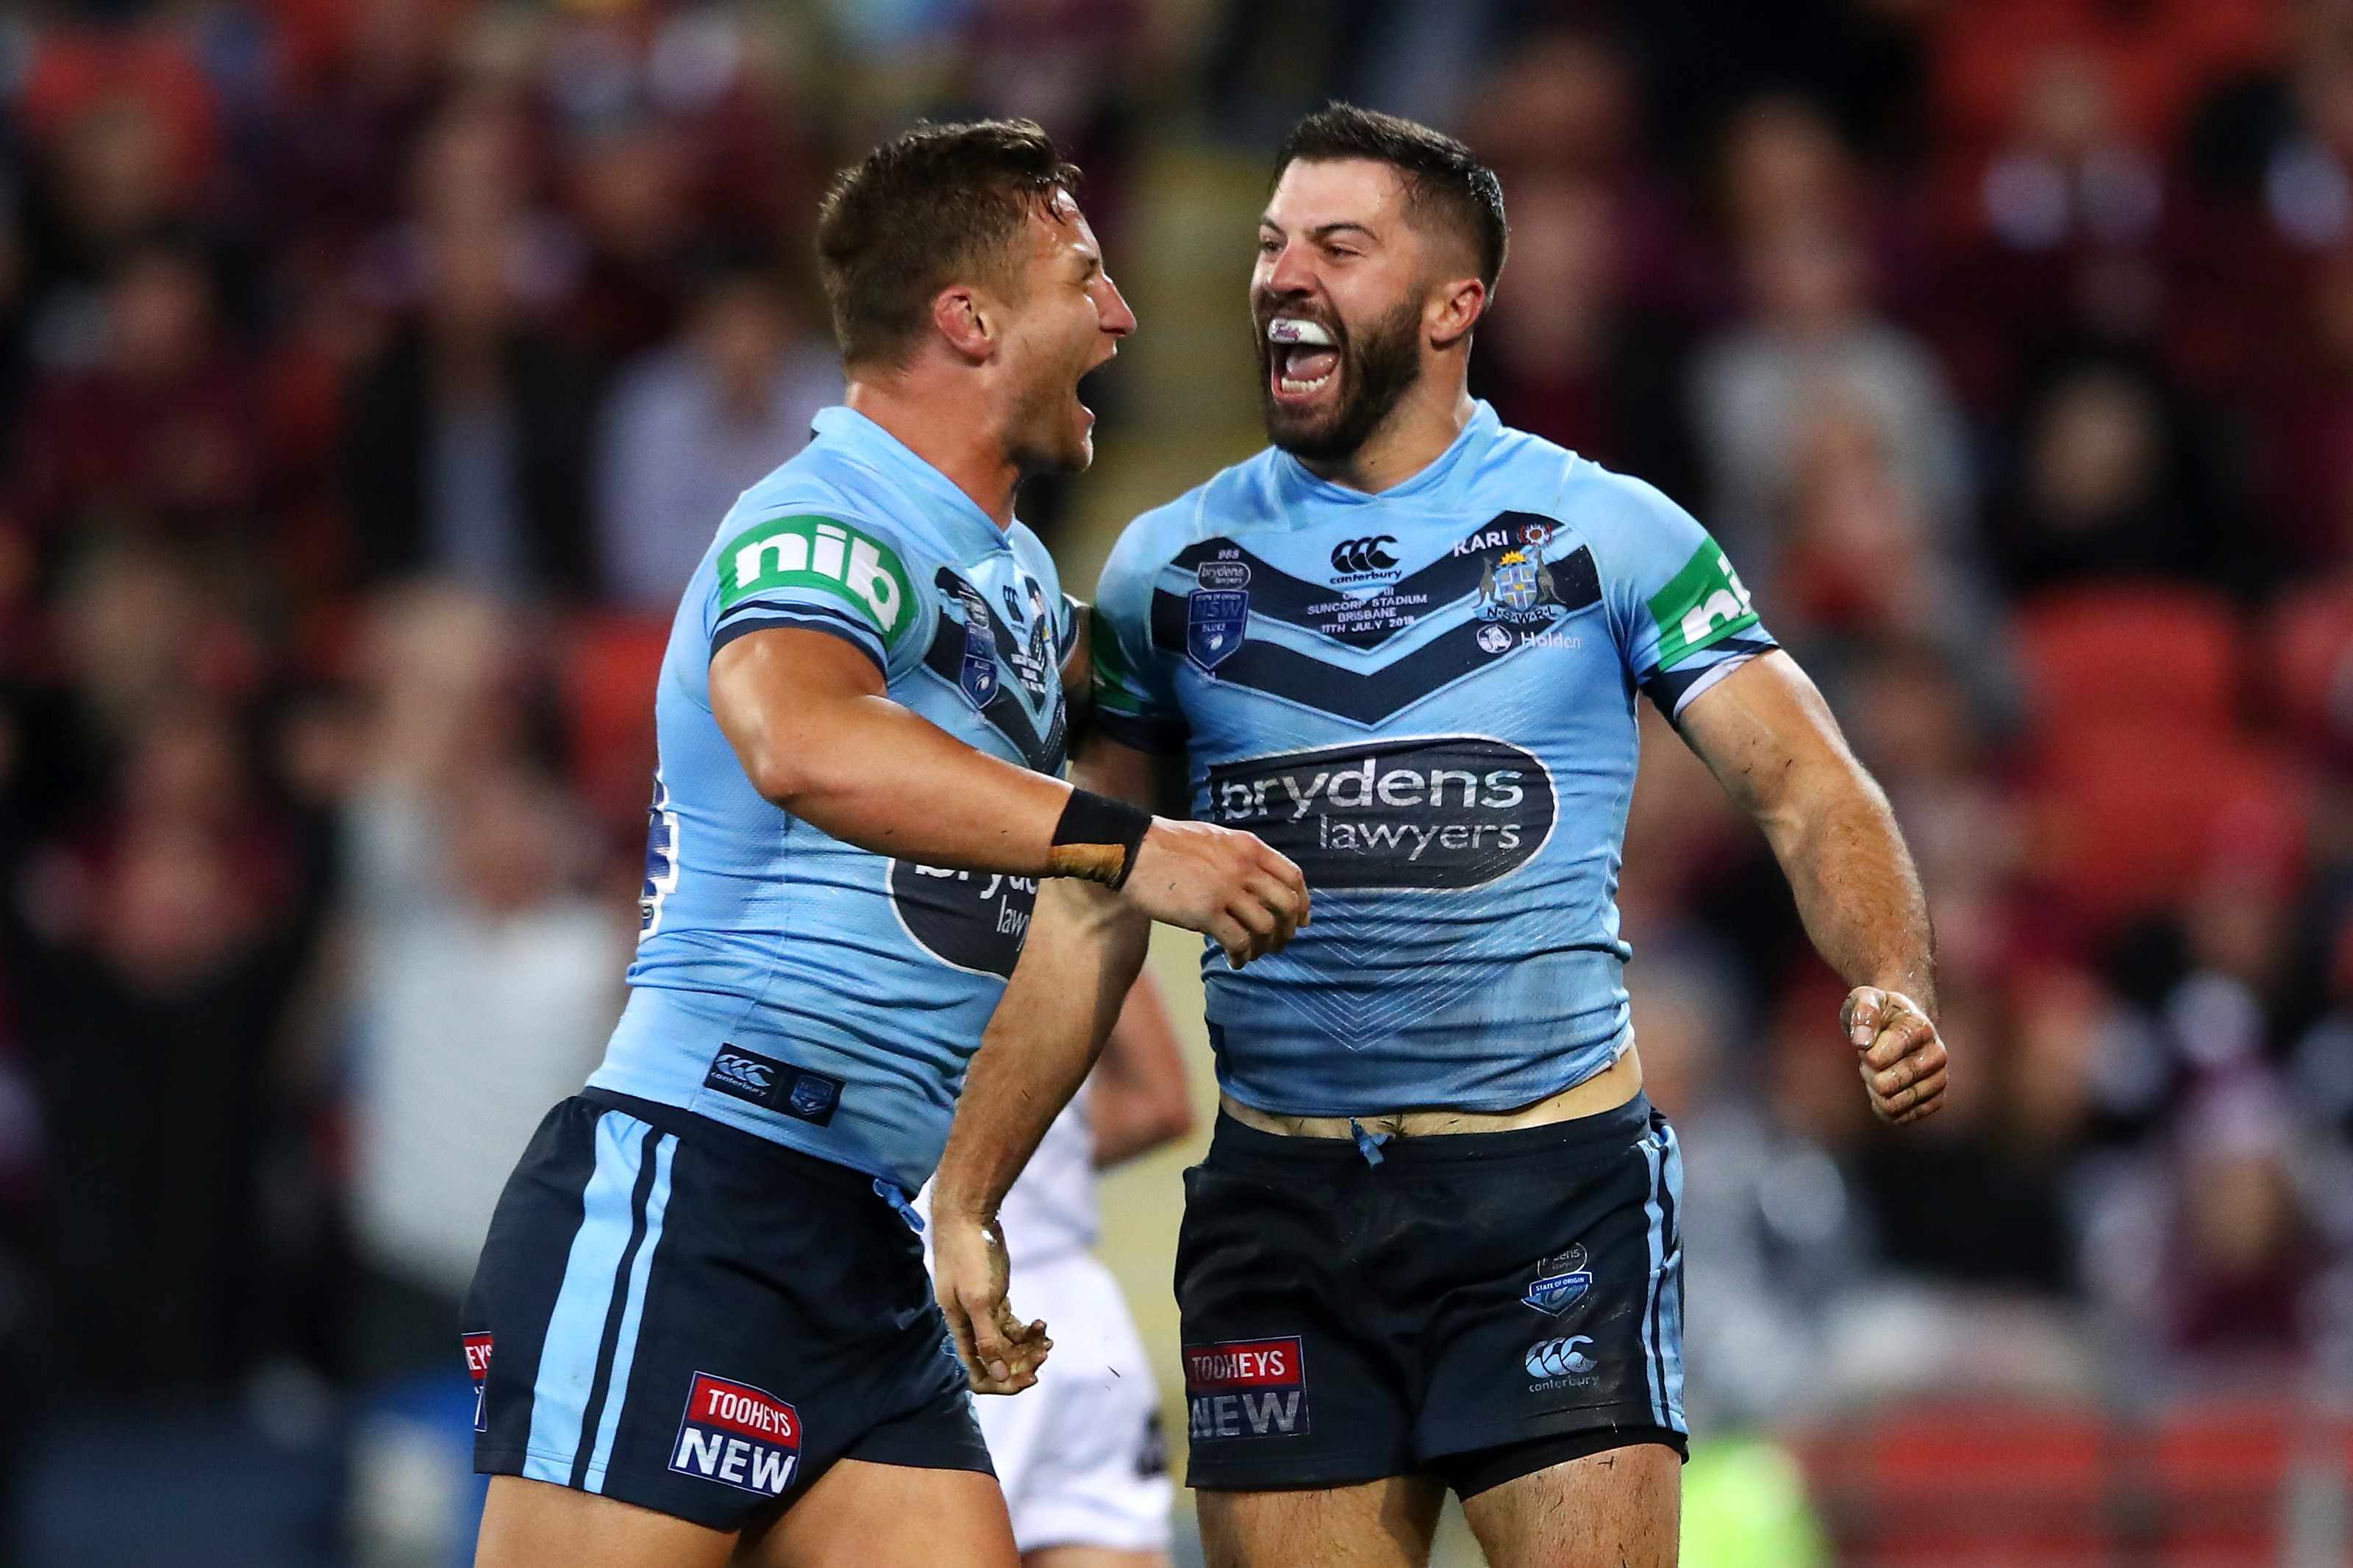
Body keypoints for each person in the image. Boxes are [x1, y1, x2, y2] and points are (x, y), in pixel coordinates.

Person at [929, 105, 1948, 1568]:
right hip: (1282, 1212)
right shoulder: (1165, 567)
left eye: (1337, 247)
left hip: (1549, 1200)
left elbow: (1807, 782)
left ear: (1453, 305)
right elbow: (1094, 897)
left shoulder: (1609, 534)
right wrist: (971, 1192)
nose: (1283, 276)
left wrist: (1892, 975)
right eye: (1271, 244)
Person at [462, 120, 1307, 1568]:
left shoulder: (1017, 583)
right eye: (1084, 281)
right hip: (699, 1192)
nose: (1121, 316)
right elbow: (802, 737)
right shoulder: (820, 516)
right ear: (969, 320)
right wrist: (1126, 842)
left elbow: (1114, 792)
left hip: (863, 1238)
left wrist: (969, 1192)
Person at [922, 969, 1193, 1568]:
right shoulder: (1077, 903)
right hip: (1075, 1310)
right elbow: (1154, 1102)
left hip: (932, 1303)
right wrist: (1011, 1176)